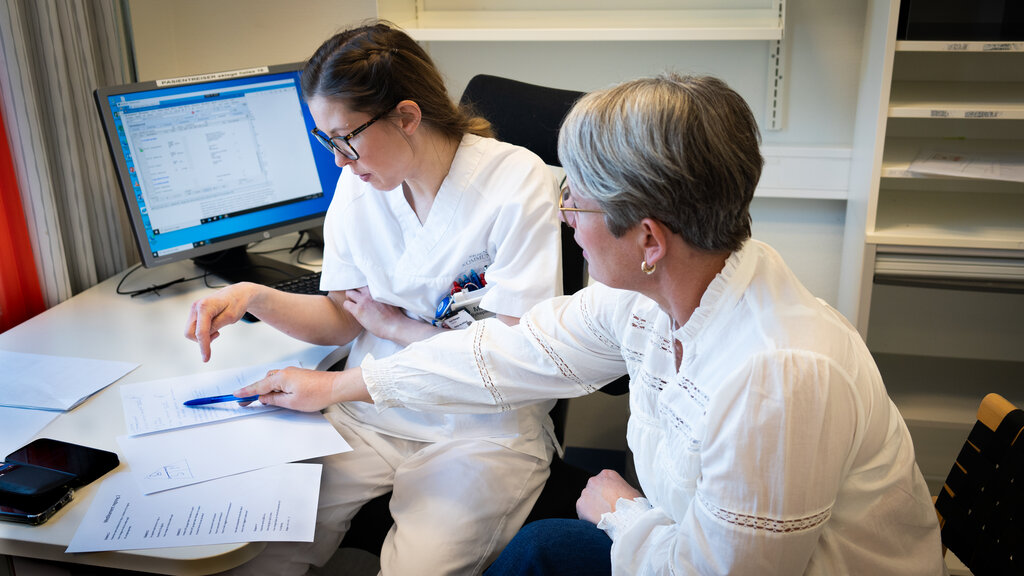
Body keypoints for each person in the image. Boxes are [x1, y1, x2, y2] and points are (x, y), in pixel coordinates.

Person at [236, 73, 946, 574]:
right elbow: (505, 354)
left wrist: (620, 512)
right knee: (540, 550)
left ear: (648, 238)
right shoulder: (649, 297)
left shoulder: (778, 375)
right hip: (676, 535)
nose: (563, 211)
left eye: (577, 196)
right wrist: (345, 386)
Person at [186, 22, 563, 576]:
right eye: (326, 141)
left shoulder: (516, 182)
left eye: (346, 138)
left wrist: (384, 339)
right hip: (372, 413)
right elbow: (342, 318)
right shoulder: (361, 182)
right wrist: (254, 297)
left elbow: (512, 356)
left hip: (480, 429)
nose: (339, 160)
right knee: (256, 543)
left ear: (407, 116)